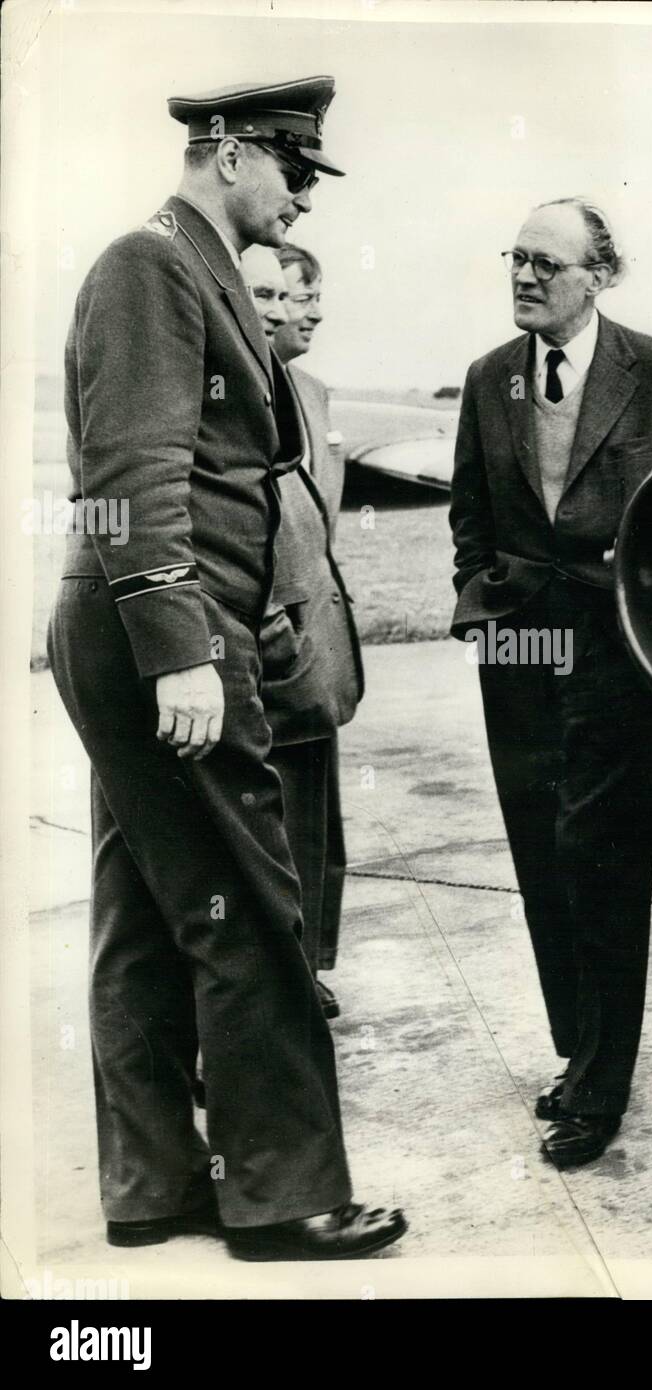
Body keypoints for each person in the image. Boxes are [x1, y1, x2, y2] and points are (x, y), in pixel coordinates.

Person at [48, 77, 406, 1260]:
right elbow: (130, 477)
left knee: (152, 907)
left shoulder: (194, 270)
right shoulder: (148, 267)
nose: (305, 199)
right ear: (235, 150)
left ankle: (154, 1183)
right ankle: (283, 1193)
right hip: (169, 631)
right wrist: (184, 654)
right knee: (253, 908)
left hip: (156, 634)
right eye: (297, 171)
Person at [449, 197, 652, 1169]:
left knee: (600, 860)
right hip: (518, 654)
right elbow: (471, 514)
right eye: (514, 257)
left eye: (545, 263)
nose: (523, 275)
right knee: (540, 859)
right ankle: (579, 1053)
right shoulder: (489, 381)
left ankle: (601, 1085)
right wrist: (480, 607)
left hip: (617, 657)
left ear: (598, 276)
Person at [240, 243, 361, 1019]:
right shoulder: (232, 389)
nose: (294, 312)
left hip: (311, 648)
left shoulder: (310, 392)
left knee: (315, 826)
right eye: (275, 296)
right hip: (264, 646)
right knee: (264, 830)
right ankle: (272, 987)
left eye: (303, 298)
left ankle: (304, 969)